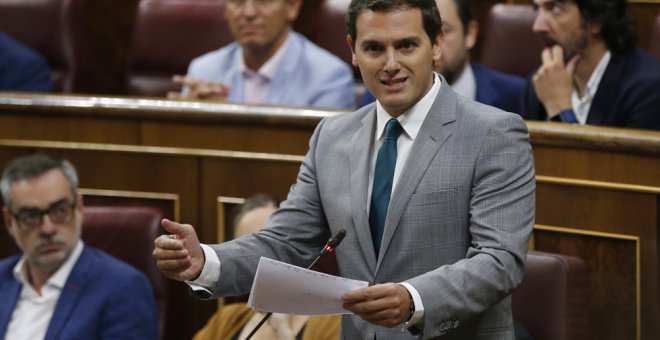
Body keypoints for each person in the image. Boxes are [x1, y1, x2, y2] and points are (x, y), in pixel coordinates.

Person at [153, 0, 535, 338]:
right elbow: (285, 242)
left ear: (435, 44)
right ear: (353, 51)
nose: (390, 65)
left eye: (406, 45)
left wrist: (413, 298)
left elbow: (499, 260)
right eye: (373, 48)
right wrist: (205, 260)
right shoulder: (331, 137)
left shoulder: (493, 132)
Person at [0, 154, 158, 340]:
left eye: (60, 210)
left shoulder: (123, 288)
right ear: (10, 222)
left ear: (79, 208)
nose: (47, 229)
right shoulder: (3, 278)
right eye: (31, 216)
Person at [193, 194, 340, 340]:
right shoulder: (227, 319)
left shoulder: (331, 323)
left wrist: (282, 330)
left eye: (271, 244)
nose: (260, 259)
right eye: (248, 250)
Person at [167, 0, 355, 109]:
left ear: (292, 7)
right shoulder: (204, 70)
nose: (249, 12)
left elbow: (324, 163)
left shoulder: (330, 77)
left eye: (263, 1)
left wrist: (224, 117)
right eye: (239, 1)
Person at [359, 0, 525, 113]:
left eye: (443, 31)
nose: (430, 48)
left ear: (470, 34)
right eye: (409, 42)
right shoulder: (380, 93)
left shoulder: (514, 95)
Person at [520, 0, 660, 130]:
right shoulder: (540, 82)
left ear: (596, 19)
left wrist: (560, 111)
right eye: (537, 8)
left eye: (555, 8)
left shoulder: (648, 90)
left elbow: (592, 158)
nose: (537, 26)